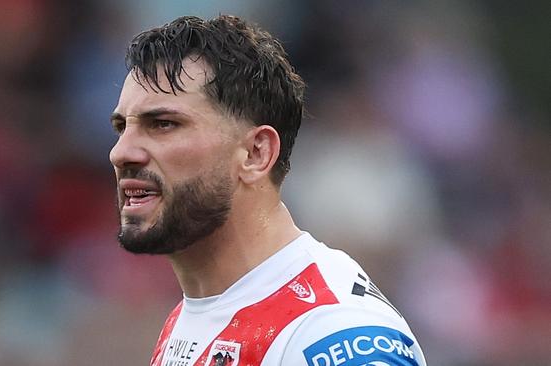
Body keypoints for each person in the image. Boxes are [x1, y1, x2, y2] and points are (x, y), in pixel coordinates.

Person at [109, 14, 427, 366]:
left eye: (163, 124)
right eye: (122, 127)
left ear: (256, 153)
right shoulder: (195, 313)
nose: (121, 152)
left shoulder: (331, 333)